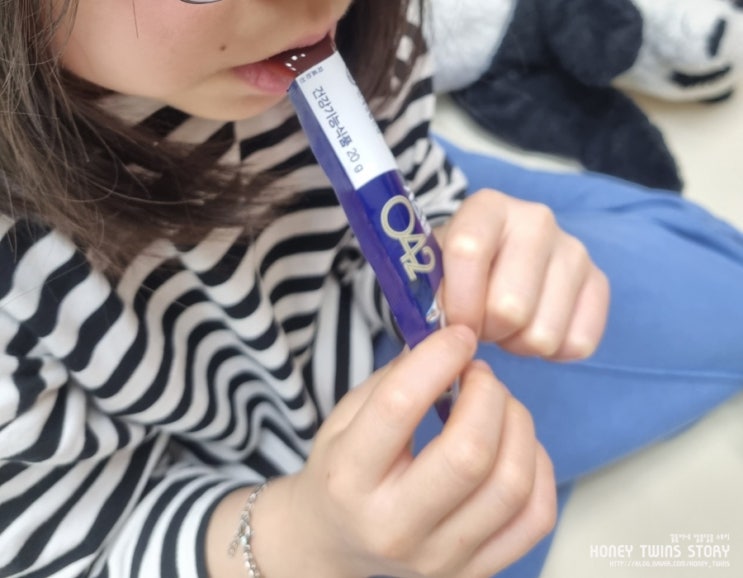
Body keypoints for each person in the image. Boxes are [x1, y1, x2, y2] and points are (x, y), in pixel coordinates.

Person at [0, 2, 740, 578]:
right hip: (254, 495)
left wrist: (449, 232)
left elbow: (409, 166)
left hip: (353, 290)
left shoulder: (347, 26)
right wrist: (302, 540)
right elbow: (61, 544)